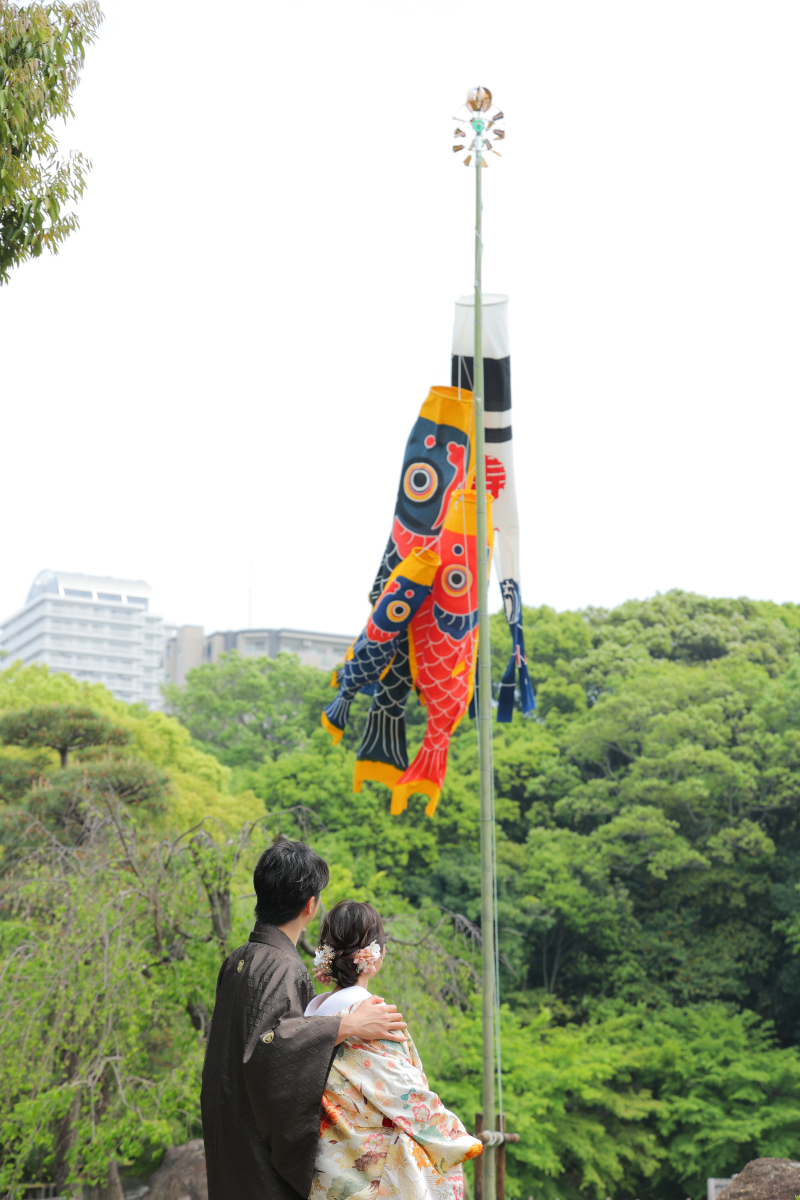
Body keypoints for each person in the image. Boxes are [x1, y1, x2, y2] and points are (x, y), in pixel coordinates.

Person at [201, 841, 408, 1200]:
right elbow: (270, 1048)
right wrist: (348, 1026)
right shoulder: (282, 967)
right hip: (257, 1155)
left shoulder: (239, 959)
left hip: (230, 1135)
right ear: (310, 905)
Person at [305, 899, 482, 1200]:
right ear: (377, 954)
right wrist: (456, 1137)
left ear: (327, 956)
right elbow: (407, 1095)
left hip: (321, 1167)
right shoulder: (375, 1017)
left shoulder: (308, 1017)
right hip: (373, 1174)